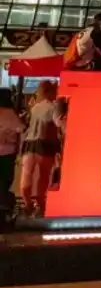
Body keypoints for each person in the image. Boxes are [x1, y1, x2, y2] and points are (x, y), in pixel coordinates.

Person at [18, 81, 62, 217]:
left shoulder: (34, 107)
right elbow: (58, 122)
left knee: (26, 176)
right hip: (45, 144)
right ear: (50, 92)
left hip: (29, 144)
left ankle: (27, 204)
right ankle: (40, 205)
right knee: (43, 177)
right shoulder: (53, 106)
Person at [0, 89, 21, 222]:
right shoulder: (11, 114)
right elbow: (20, 130)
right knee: (5, 180)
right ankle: (4, 208)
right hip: (8, 153)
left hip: (6, 151)